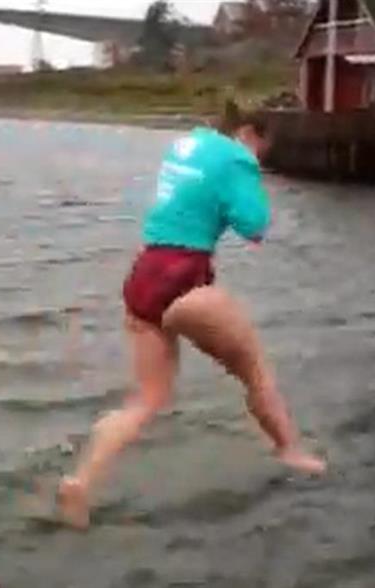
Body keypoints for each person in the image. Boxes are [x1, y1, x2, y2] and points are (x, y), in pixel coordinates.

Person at [57, 101, 327, 529]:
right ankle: (290, 451)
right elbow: (255, 226)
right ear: (250, 134)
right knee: (257, 373)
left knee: (145, 401)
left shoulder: (187, 144)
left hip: (144, 275)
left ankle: (81, 481)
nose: (262, 156)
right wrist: (252, 175)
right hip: (186, 279)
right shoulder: (238, 157)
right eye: (264, 147)